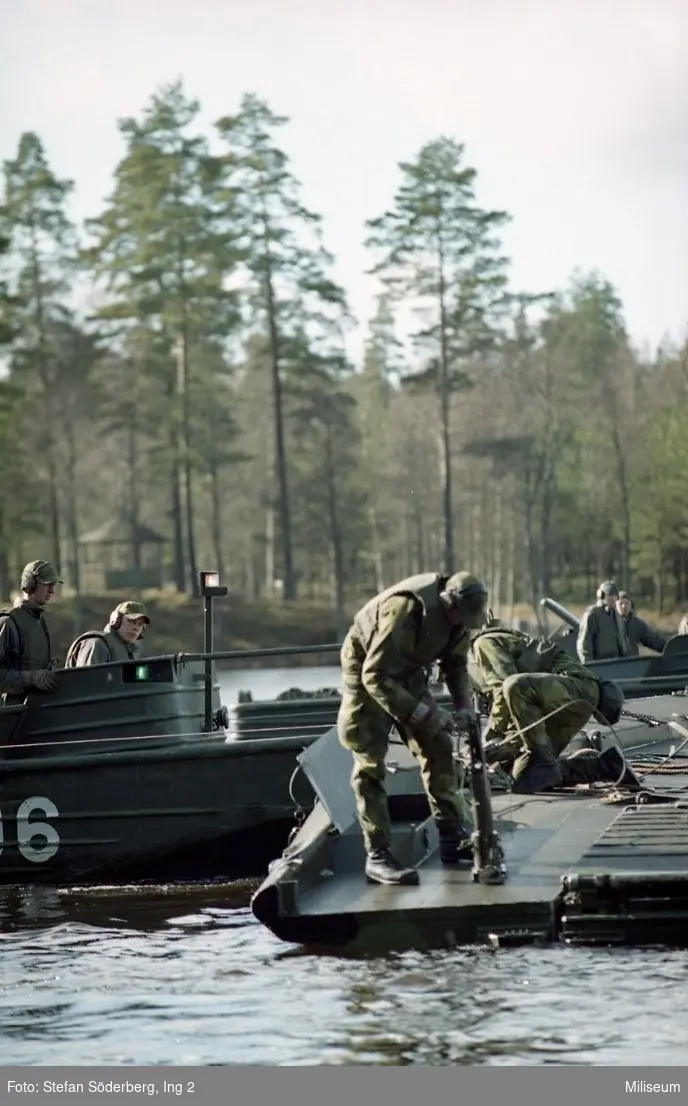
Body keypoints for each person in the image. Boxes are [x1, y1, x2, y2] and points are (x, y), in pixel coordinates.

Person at [337, 571, 489, 886]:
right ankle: (377, 853)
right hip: (370, 670)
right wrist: (424, 714)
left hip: (407, 671)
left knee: (439, 746)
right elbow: (376, 676)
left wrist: (463, 706)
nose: (464, 624)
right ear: (450, 604)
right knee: (369, 761)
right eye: (461, 617)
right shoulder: (406, 609)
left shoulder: (460, 620)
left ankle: (451, 836)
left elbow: (456, 665)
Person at [467, 622, 638, 793]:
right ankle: (604, 766)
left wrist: (490, 737)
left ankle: (544, 763)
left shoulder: (483, 644)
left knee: (514, 685)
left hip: (577, 689)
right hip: (550, 706)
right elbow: (516, 710)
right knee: (523, 779)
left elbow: (504, 688)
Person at [0, 560, 62, 700]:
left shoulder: (38, 621)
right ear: (30, 584)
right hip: (14, 715)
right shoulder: (9, 623)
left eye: (53, 585)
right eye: (47, 584)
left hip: (37, 710)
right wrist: (30, 678)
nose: (52, 590)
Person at [65, 601, 150, 667]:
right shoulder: (96, 644)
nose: (136, 628)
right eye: (131, 621)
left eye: (140, 624)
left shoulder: (130, 650)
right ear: (116, 620)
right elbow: (87, 683)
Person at [577, 580, 631, 663]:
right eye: (610, 595)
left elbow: (623, 642)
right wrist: (589, 666)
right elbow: (584, 644)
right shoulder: (592, 615)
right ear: (602, 596)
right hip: (599, 664)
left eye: (615, 595)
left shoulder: (617, 616)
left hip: (617, 662)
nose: (613, 598)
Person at [617, 591, 667, 655]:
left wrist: (669, 648)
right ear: (615, 605)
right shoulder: (610, 623)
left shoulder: (636, 624)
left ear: (631, 605)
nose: (624, 606)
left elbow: (652, 639)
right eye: (621, 603)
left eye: (626, 603)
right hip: (613, 663)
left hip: (631, 661)